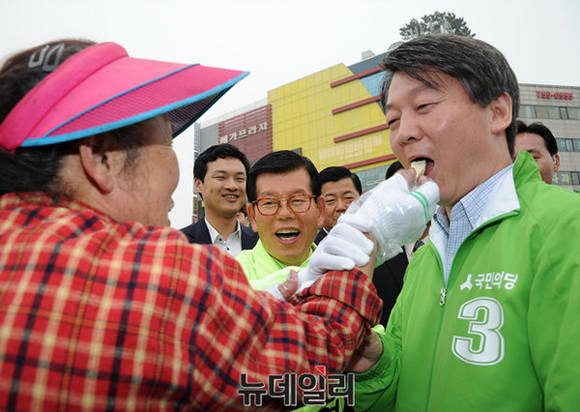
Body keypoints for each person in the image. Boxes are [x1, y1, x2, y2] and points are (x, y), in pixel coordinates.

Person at [0, 39, 385, 411]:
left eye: (298, 200)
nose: (177, 170)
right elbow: (314, 353)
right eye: (168, 140)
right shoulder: (160, 273)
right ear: (100, 157)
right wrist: (357, 254)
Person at [353, 34, 580, 411]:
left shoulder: (565, 228)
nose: (403, 133)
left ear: (498, 113)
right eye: (393, 119)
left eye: (424, 105)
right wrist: (373, 360)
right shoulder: (427, 254)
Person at [237, 150, 325, 291]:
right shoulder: (229, 278)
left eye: (297, 200)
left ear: (320, 210)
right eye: (269, 203)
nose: (284, 213)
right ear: (252, 217)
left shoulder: (344, 271)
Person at [181, 143, 258, 256]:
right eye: (221, 177)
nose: (232, 186)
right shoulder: (180, 243)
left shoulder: (261, 242)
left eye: (239, 179)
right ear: (198, 185)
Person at [314, 166, 362, 245]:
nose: (340, 207)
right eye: (330, 200)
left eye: (348, 198)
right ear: (318, 208)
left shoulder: (379, 243)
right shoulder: (312, 252)